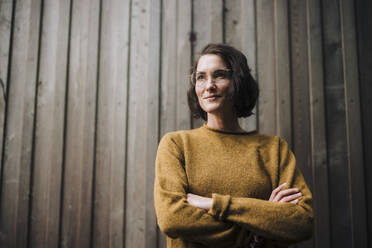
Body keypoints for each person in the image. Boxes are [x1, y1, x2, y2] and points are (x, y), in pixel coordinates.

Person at [154, 43, 314, 248]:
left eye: (219, 75)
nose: (208, 85)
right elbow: (172, 218)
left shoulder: (274, 148)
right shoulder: (176, 144)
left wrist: (214, 204)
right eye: (201, 77)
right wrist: (258, 231)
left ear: (238, 81)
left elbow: (302, 221)